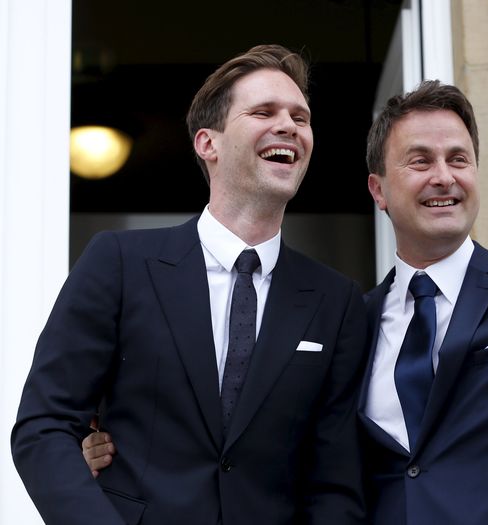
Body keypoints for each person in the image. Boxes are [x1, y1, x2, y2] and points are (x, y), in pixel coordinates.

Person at [84, 71, 488, 524]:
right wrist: (112, 452)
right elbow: (274, 449)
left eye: (459, 158)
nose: (444, 176)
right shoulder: (342, 320)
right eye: (420, 160)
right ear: (378, 190)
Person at [11, 44, 368, 525]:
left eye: (300, 118)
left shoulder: (336, 300)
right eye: (263, 111)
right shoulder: (118, 262)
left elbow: (334, 483)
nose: (288, 125)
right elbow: (45, 425)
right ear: (208, 143)